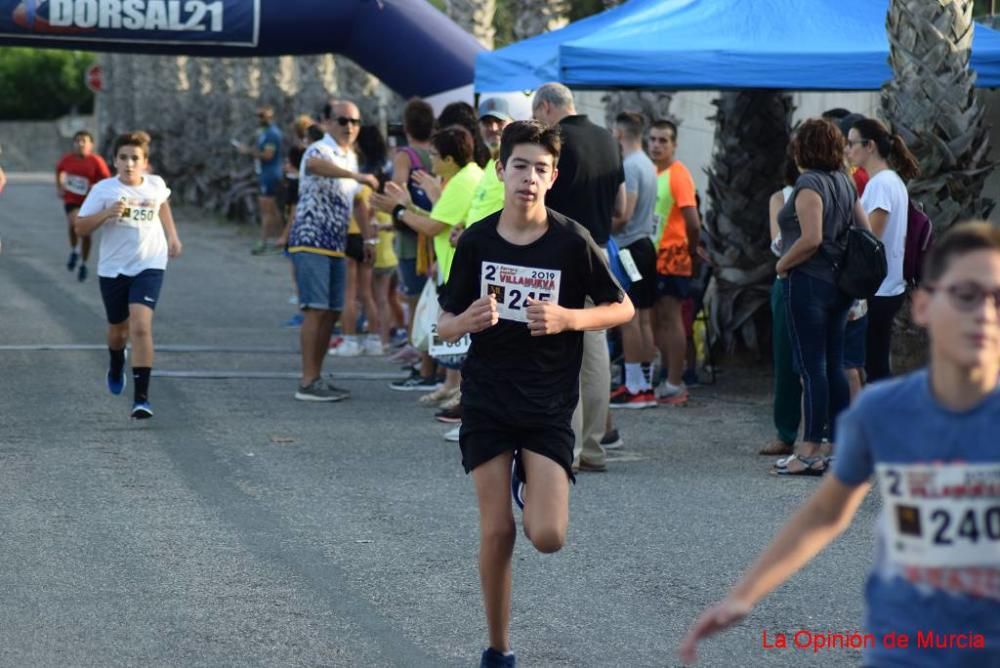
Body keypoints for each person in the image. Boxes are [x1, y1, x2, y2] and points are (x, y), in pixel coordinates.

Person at [680, 221, 1000, 667]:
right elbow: (825, 513)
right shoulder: (881, 412)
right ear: (924, 305)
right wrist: (743, 595)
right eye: (966, 295)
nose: (984, 313)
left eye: (997, 299)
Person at [437, 120, 633, 668]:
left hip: (547, 403)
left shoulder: (572, 241)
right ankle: (498, 650)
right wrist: (466, 320)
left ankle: (534, 482)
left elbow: (623, 307)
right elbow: (444, 325)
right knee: (497, 530)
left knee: (546, 536)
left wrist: (571, 317)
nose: (528, 178)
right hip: (489, 400)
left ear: (553, 177)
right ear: (501, 170)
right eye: (519, 166)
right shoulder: (476, 240)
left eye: (540, 169)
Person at [533, 82, 625, 472]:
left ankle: (564, 451)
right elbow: (620, 206)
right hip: (600, 249)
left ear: (548, 107)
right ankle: (594, 448)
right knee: (595, 351)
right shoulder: (607, 138)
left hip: (560, 250)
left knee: (562, 354)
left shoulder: (554, 140)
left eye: (537, 114)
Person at [772, 119, 871, 476]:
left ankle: (810, 448)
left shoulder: (809, 182)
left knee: (812, 367)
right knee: (835, 365)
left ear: (805, 147)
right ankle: (836, 447)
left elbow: (811, 238)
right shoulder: (846, 182)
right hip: (840, 287)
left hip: (808, 283)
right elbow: (865, 232)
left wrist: (782, 264)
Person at [74, 131, 182, 419]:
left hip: (149, 264)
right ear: (114, 161)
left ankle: (142, 399)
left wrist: (172, 235)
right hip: (113, 268)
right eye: (123, 158)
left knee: (141, 327)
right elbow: (81, 228)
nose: (129, 163)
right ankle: (115, 362)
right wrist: (107, 213)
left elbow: (163, 203)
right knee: (118, 331)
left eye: (135, 158)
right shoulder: (103, 190)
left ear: (145, 162)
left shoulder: (156, 185)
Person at [375, 126, 484, 407]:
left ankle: (461, 393)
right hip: (450, 266)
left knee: (460, 331)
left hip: (459, 268)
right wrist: (408, 206)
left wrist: (399, 211)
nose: (430, 160)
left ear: (449, 159)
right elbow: (439, 221)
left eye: (434, 155)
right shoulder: (461, 177)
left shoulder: (463, 181)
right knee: (453, 330)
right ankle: (451, 386)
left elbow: (433, 226)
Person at [286, 100, 378, 401]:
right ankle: (307, 379)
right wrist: (354, 176)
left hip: (337, 244)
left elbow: (358, 203)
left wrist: (368, 240)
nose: (349, 126)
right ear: (327, 123)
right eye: (342, 120)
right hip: (311, 240)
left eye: (354, 121)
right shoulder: (319, 149)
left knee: (334, 311)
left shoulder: (350, 158)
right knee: (316, 309)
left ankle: (317, 376)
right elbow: (314, 166)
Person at [847, 117, 921, 383]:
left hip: (879, 289)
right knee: (876, 363)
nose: (847, 149)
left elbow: (870, 240)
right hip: (888, 286)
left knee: (874, 366)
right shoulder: (890, 181)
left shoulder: (881, 184)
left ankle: (884, 419)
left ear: (870, 146)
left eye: (852, 143)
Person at [648, 119, 701, 406]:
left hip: (673, 258)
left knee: (672, 320)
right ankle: (667, 376)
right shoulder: (654, 173)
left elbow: (693, 222)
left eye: (663, 140)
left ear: (674, 144)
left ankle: (675, 382)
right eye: (653, 139)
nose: (656, 145)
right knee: (658, 321)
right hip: (654, 258)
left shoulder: (678, 174)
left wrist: (690, 251)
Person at [609, 112, 659, 409]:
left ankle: (633, 386)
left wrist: (599, 226)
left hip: (629, 248)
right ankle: (645, 383)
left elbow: (624, 214)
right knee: (642, 317)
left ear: (618, 133)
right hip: (644, 245)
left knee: (629, 317)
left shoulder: (629, 166)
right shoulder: (648, 164)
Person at [385, 98, 436, 375]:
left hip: (411, 236)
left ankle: (421, 359)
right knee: (434, 298)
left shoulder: (406, 155)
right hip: (435, 233)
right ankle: (433, 360)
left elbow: (396, 191)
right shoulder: (439, 153)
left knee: (415, 300)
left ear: (406, 127)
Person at [760, 149, 802, 456]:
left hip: (803, 277)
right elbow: (777, 244)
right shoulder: (782, 197)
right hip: (790, 280)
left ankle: (821, 433)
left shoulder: (837, 187)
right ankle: (786, 431)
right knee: (787, 359)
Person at [56, 130, 111, 282]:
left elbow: (107, 181)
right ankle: (75, 250)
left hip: (90, 202)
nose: (80, 144)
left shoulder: (97, 161)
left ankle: (84, 263)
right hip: (71, 200)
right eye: (77, 141)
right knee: (75, 224)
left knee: (86, 234)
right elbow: (59, 170)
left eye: (84, 141)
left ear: (91, 144)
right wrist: (60, 186)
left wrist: (96, 187)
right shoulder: (67, 159)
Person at [238, 106, 284, 255]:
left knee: (266, 210)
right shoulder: (264, 133)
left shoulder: (271, 134)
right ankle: (281, 239)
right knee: (273, 209)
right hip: (265, 172)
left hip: (270, 173)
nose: (259, 119)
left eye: (262, 116)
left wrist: (248, 151)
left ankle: (263, 242)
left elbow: (268, 155)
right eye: (258, 115)